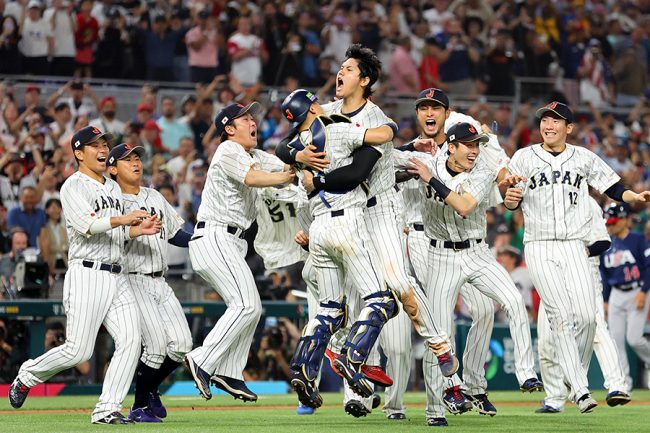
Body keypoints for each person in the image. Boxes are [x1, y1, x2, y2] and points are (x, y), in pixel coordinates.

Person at [282, 47, 457, 420]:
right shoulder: (326, 112)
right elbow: (285, 145)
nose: (339, 73)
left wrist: (321, 177)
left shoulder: (376, 118)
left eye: (348, 69)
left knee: (399, 286)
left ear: (364, 80)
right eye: (339, 67)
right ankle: (354, 372)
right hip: (348, 216)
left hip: (381, 210)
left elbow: (360, 168)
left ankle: (439, 346)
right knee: (357, 299)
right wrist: (298, 158)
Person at [502, 101, 650, 413]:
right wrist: (510, 199)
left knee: (586, 317)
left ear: (569, 128)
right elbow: (510, 194)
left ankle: (573, 379)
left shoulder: (582, 157)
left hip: (573, 245)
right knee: (558, 315)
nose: (549, 125)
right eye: (545, 120)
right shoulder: (524, 157)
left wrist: (632, 196)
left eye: (556, 121)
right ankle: (580, 391)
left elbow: (611, 185)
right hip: (540, 244)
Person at [8, 126, 161, 425]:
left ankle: (107, 409)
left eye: (104, 143)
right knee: (79, 351)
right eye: (94, 145)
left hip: (117, 275)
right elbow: (89, 225)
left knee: (131, 340)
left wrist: (134, 230)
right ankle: (27, 374)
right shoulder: (72, 186)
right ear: (79, 153)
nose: (102, 148)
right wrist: (124, 219)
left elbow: (117, 232)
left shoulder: (113, 188)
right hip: (87, 273)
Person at [278, 89, 413, 410]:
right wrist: (392, 125)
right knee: (382, 301)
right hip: (347, 222)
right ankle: (354, 356)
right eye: (316, 102)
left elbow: (283, 150)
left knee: (329, 308)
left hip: (318, 229)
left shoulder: (297, 146)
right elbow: (380, 135)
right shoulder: (335, 127)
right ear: (312, 107)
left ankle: (302, 368)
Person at [406, 122, 542, 426]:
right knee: (440, 336)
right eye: (468, 144)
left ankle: (526, 373)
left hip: (478, 252)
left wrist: (431, 181)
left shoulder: (481, 169)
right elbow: (389, 160)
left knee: (513, 301)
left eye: (477, 144)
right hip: (440, 255)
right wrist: (408, 154)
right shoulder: (428, 162)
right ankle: (435, 409)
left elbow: (465, 206)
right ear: (450, 147)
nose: (474, 150)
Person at [184, 102, 295, 402]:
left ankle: (230, 371)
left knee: (251, 307)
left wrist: (300, 157)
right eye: (245, 118)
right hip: (215, 235)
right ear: (229, 128)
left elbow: (286, 168)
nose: (252, 121)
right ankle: (203, 359)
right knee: (246, 305)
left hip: (231, 242)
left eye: (252, 117)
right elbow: (253, 178)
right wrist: (285, 177)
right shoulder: (228, 150)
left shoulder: (254, 155)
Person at [107, 142, 193, 423]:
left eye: (137, 158)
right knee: (155, 346)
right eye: (126, 159)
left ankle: (151, 388)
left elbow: (176, 233)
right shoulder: (111, 200)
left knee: (181, 344)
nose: (135, 163)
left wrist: (204, 239)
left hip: (160, 279)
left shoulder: (154, 195)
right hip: (132, 279)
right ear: (112, 168)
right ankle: (139, 406)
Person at [536, 198, 631, 413]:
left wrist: (578, 254)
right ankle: (554, 398)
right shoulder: (543, 199)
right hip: (551, 272)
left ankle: (616, 385)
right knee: (546, 339)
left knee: (595, 328)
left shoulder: (587, 203)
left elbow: (603, 241)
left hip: (584, 270)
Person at [600, 203, 650, 393]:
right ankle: (623, 383)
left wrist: (644, 291)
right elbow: (604, 275)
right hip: (616, 294)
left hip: (637, 290)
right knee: (616, 341)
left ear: (623, 220)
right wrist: (605, 300)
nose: (609, 226)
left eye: (613, 221)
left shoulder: (637, 239)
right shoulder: (607, 243)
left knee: (634, 339)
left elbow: (648, 267)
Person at [38, 198, 68, 277]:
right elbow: (44, 248)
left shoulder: (63, 229)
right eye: (54, 207)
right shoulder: (44, 229)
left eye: (59, 207)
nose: (57, 210)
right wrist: (62, 248)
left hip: (64, 262)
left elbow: (68, 246)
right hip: (51, 263)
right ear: (47, 210)